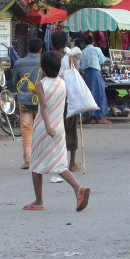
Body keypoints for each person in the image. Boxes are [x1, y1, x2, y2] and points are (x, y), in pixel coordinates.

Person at [26, 50, 90, 212]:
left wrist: (47, 126)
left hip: (44, 128)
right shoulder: (62, 83)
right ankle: (78, 188)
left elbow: (44, 107)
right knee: (60, 165)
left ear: (43, 68)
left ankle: (39, 201)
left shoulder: (42, 84)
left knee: (36, 165)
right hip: (59, 127)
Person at [50, 30, 79, 173]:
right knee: (71, 130)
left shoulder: (50, 57)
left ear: (52, 43)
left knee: (56, 129)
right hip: (68, 97)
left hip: (54, 98)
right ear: (66, 43)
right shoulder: (70, 58)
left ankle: (56, 162)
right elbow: (77, 74)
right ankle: (72, 163)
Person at [12, 37, 44, 170]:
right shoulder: (43, 62)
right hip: (40, 100)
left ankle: (28, 161)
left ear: (27, 48)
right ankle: (41, 158)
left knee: (26, 131)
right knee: (41, 130)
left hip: (24, 101)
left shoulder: (19, 63)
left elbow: (15, 82)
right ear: (40, 50)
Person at [77, 38, 111, 124]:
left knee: (89, 95)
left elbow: (79, 66)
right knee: (100, 94)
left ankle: (91, 117)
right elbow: (102, 60)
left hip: (87, 74)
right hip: (95, 73)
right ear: (93, 42)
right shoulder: (97, 49)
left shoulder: (83, 52)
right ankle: (101, 117)